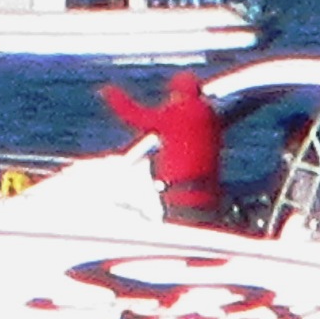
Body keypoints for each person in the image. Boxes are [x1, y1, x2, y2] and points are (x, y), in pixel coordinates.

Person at [95, 67, 227, 226]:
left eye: (171, 94)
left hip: (182, 199)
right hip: (210, 197)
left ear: (177, 94)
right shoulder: (211, 115)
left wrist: (112, 95)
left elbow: (136, 116)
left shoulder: (175, 114)